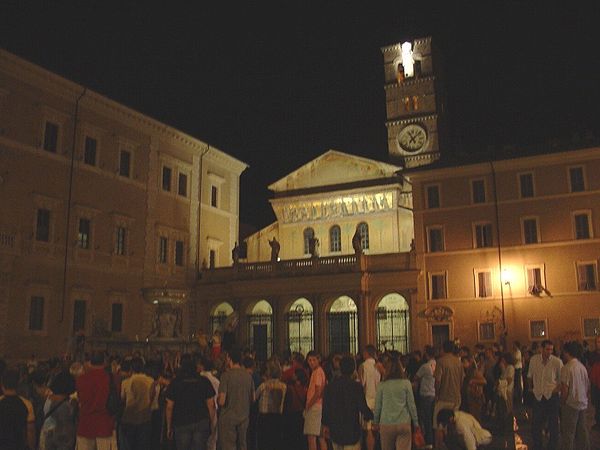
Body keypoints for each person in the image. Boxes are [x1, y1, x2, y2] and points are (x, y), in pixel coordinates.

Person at [322, 355, 373, 450]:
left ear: (340, 368)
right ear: (354, 369)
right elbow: (362, 407)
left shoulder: (330, 386)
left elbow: (326, 407)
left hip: (335, 429)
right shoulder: (356, 387)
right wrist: (371, 416)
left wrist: (325, 424)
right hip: (351, 430)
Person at [166, 355, 216, 450]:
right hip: (201, 421)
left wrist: (169, 426)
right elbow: (211, 405)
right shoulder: (204, 381)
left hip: (181, 422)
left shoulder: (175, 383)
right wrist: (211, 422)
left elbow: (169, 406)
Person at [373, 355, 420, 450]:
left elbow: (378, 406)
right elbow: (411, 405)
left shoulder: (382, 385)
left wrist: (375, 422)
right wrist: (416, 423)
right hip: (403, 423)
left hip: (386, 424)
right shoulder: (406, 383)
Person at [75, 351, 118, 450]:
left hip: (85, 424)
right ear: (104, 362)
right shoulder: (111, 378)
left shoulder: (81, 379)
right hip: (105, 424)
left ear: (90, 362)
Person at [527, 339, 563, 450]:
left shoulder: (557, 362)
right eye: (547, 349)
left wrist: (556, 391)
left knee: (553, 423)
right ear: (541, 349)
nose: (549, 352)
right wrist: (530, 389)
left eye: (551, 349)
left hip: (551, 395)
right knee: (536, 423)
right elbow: (530, 376)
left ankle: (553, 445)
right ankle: (537, 444)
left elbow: (561, 379)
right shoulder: (534, 360)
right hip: (538, 395)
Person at [218, 347, 255, 450]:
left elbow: (222, 401)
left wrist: (217, 399)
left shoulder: (226, 376)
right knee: (243, 446)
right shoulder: (248, 376)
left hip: (228, 419)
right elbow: (253, 398)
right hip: (244, 418)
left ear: (229, 358)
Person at [558, 341, 590, 450]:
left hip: (571, 404)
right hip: (582, 403)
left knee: (568, 433)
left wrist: (562, 402)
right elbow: (587, 386)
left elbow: (565, 389)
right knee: (582, 431)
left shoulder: (566, 368)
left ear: (567, 353)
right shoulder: (582, 367)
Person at [433, 340, 464, 448]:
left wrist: (436, 394)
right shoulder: (459, 362)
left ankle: (439, 446)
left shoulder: (441, 362)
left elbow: (437, 380)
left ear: (444, 349)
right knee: (453, 424)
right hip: (456, 398)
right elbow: (461, 380)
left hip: (443, 398)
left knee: (439, 425)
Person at [120, 356, 154, 450]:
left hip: (129, 418)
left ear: (131, 368)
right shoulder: (150, 381)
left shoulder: (125, 382)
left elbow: (122, 399)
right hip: (145, 418)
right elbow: (152, 399)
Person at [39, 369, 77, 450]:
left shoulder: (50, 400)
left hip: (47, 439)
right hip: (59, 442)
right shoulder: (65, 406)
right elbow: (65, 433)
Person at [0, 368, 36, 450]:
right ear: (18, 384)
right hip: (19, 445)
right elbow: (30, 430)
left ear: (2, 385)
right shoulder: (27, 404)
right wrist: (32, 447)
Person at [255, 361, 287, 450]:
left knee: (264, 442)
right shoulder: (284, 386)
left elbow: (254, 398)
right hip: (278, 416)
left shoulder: (263, 386)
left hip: (264, 416)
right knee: (276, 442)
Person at [358, 344, 381, 450]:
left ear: (366, 353)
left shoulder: (363, 366)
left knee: (368, 430)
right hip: (379, 400)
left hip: (367, 400)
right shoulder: (379, 366)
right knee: (376, 428)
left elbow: (361, 384)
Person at [304, 350, 328, 450]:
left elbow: (318, 391)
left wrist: (309, 405)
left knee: (311, 436)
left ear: (319, 360)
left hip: (314, 406)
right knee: (320, 437)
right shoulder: (319, 371)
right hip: (319, 405)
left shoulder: (317, 372)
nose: (311, 362)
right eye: (309, 360)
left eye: (314, 360)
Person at [414, 345, 436, 446]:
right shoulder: (437, 364)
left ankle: (428, 441)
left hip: (426, 394)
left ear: (426, 354)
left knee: (426, 419)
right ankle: (434, 440)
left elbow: (416, 377)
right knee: (433, 418)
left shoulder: (425, 366)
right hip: (434, 393)